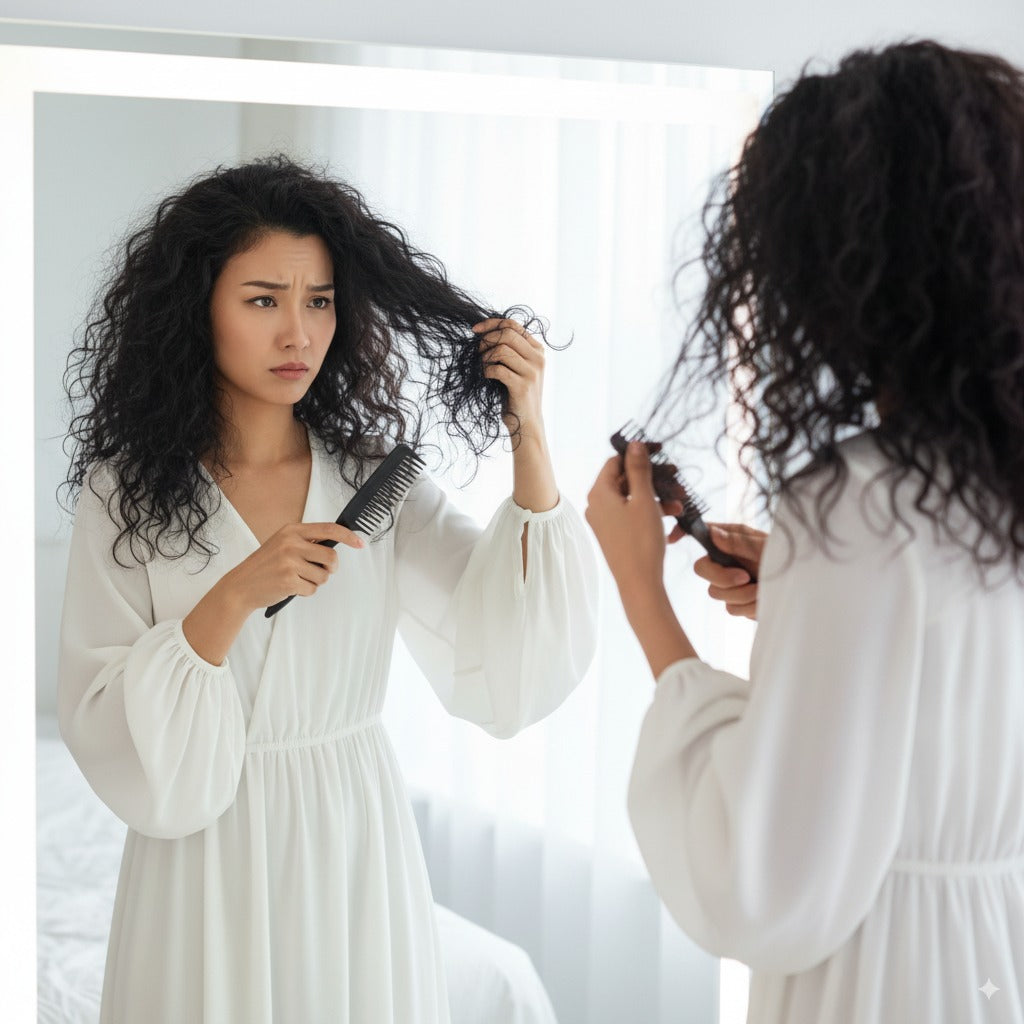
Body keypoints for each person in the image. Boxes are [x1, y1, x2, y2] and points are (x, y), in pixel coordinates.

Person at [57, 154, 598, 1023]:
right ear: (196, 309)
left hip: (352, 841)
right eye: (263, 300)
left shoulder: (373, 481)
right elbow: (102, 718)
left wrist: (529, 435)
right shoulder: (125, 497)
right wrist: (233, 595)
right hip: (201, 856)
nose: (298, 334)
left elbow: (507, 641)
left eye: (319, 302)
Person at [586, 40, 1024, 1023]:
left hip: (890, 979)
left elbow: (762, 879)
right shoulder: (989, 479)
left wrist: (644, 595)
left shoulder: (861, 504)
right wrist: (802, 595)